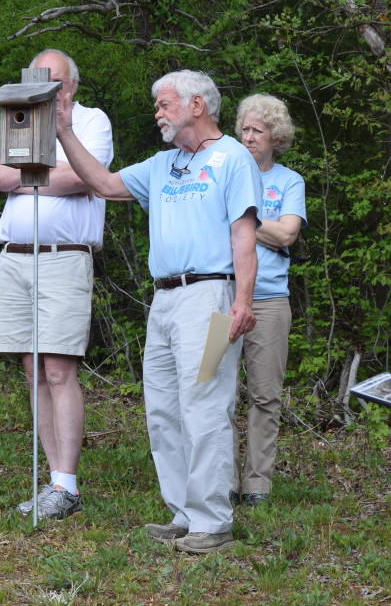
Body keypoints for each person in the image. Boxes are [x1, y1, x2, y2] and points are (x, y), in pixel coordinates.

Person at [53, 69, 261, 554]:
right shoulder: (162, 164)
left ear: (196, 105)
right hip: (164, 300)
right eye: (157, 105)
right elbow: (103, 183)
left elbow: (244, 235)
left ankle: (213, 522)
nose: (157, 113)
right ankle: (184, 514)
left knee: (205, 406)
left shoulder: (233, 158)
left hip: (210, 298)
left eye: (165, 104)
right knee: (164, 411)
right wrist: (63, 130)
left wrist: (243, 302)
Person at [0, 49, 113, 520]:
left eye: (53, 80)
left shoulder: (92, 121)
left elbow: (83, 179)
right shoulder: (20, 123)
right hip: (15, 259)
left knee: (59, 368)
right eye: (38, 78)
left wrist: (22, 178)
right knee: (33, 369)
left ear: (71, 87)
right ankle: (54, 481)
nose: (45, 88)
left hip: (63, 258)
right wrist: (39, 177)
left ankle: (67, 485)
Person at [231, 94, 306, 508]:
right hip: (220, 296)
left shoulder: (289, 181)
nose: (249, 137)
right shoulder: (222, 171)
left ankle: (256, 485)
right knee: (213, 388)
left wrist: (241, 219)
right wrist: (264, 226)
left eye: (258, 130)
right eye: (244, 128)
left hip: (270, 301)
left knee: (264, 396)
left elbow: (288, 235)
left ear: (276, 137)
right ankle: (220, 479)